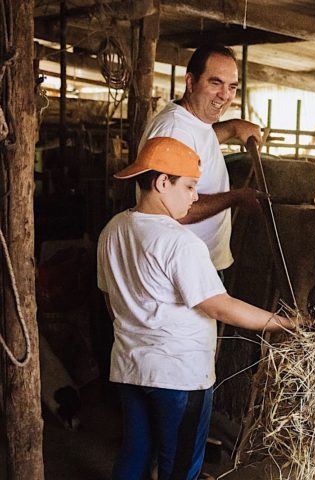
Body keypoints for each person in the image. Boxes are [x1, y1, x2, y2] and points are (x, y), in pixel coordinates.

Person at [97, 137, 296, 480]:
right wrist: (284, 323)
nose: (194, 197)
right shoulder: (180, 242)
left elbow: (109, 297)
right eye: (189, 187)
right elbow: (220, 306)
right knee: (180, 465)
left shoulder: (113, 229)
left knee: (136, 452)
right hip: (179, 375)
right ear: (162, 182)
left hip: (130, 367)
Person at [139, 43, 262, 272]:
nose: (225, 95)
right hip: (183, 267)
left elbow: (199, 144)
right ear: (190, 82)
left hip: (199, 261)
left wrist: (233, 127)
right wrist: (236, 197)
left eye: (232, 87)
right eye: (215, 83)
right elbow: (176, 211)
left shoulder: (191, 121)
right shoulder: (175, 129)